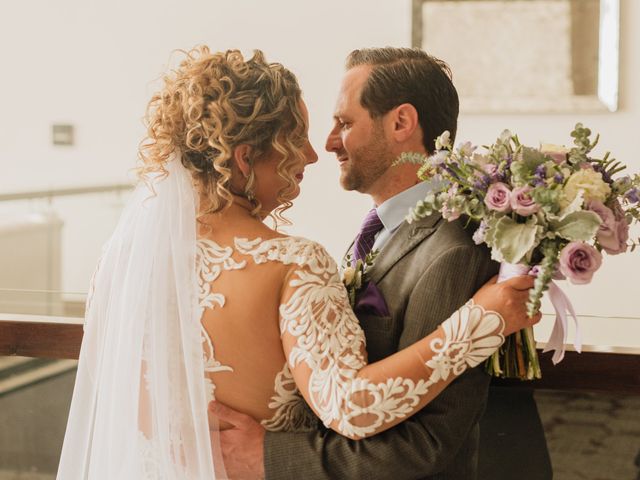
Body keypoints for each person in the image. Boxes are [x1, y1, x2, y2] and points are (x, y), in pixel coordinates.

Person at [57, 46, 539, 479]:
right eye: (296, 139)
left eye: (341, 125)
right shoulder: (291, 263)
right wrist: (483, 321)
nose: (313, 154)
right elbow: (353, 408)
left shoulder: (118, 261)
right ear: (245, 158)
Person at [213, 47, 550, 480]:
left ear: (401, 123)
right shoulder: (380, 231)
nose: (329, 142)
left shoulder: (454, 251)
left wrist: (272, 458)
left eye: (345, 123)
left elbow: (423, 446)